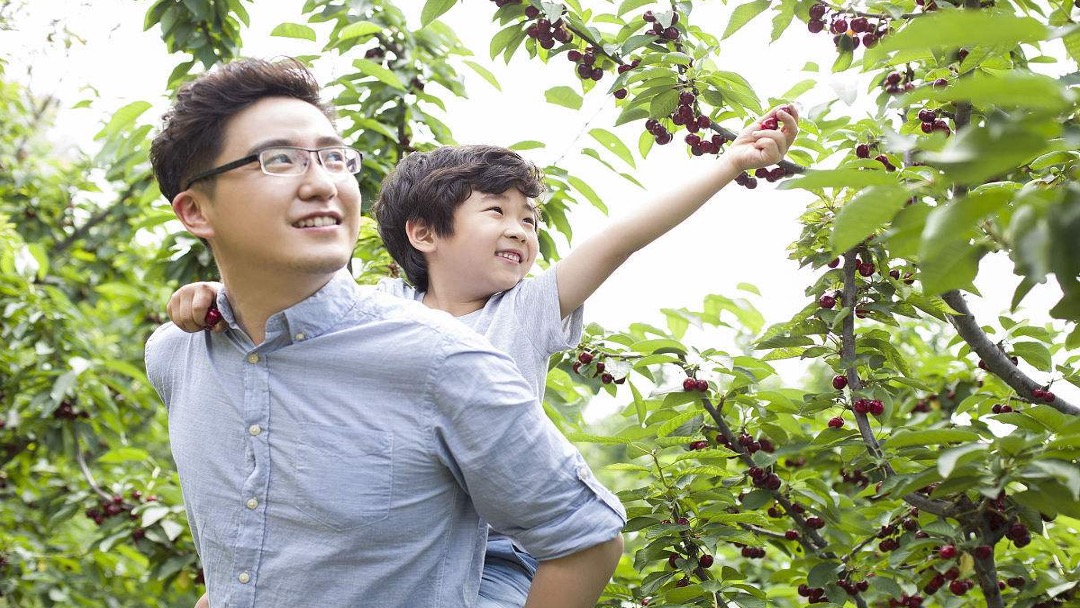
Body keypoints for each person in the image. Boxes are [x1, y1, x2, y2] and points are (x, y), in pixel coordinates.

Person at [167, 96, 800, 605]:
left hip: (503, 551)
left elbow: (620, 239)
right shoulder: (384, 313)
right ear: (423, 234)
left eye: (529, 219)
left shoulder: (526, 308)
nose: (519, 231)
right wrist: (212, 295)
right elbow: (293, 303)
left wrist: (729, 164)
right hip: (399, 536)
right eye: (496, 212)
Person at [145, 56, 627, 608]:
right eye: (279, 160)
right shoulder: (177, 354)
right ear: (195, 211)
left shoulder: (445, 361)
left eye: (334, 158)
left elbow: (586, 540)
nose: (322, 183)